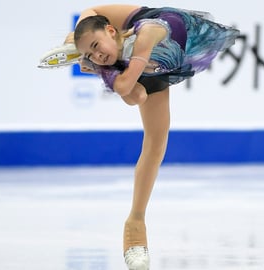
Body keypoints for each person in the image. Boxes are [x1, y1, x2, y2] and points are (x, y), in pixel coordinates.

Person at [41, 4, 239, 270]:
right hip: (141, 65)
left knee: (157, 144)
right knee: (139, 103)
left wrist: (98, 67)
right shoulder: (111, 51)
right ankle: (135, 230)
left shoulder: (148, 32)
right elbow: (135, 96)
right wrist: (95, 58)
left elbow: (126, 87)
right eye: (91, 52)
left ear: (111, 30)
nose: (97, 54)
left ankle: (136, 219)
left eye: (96, 46)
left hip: (156, 50)